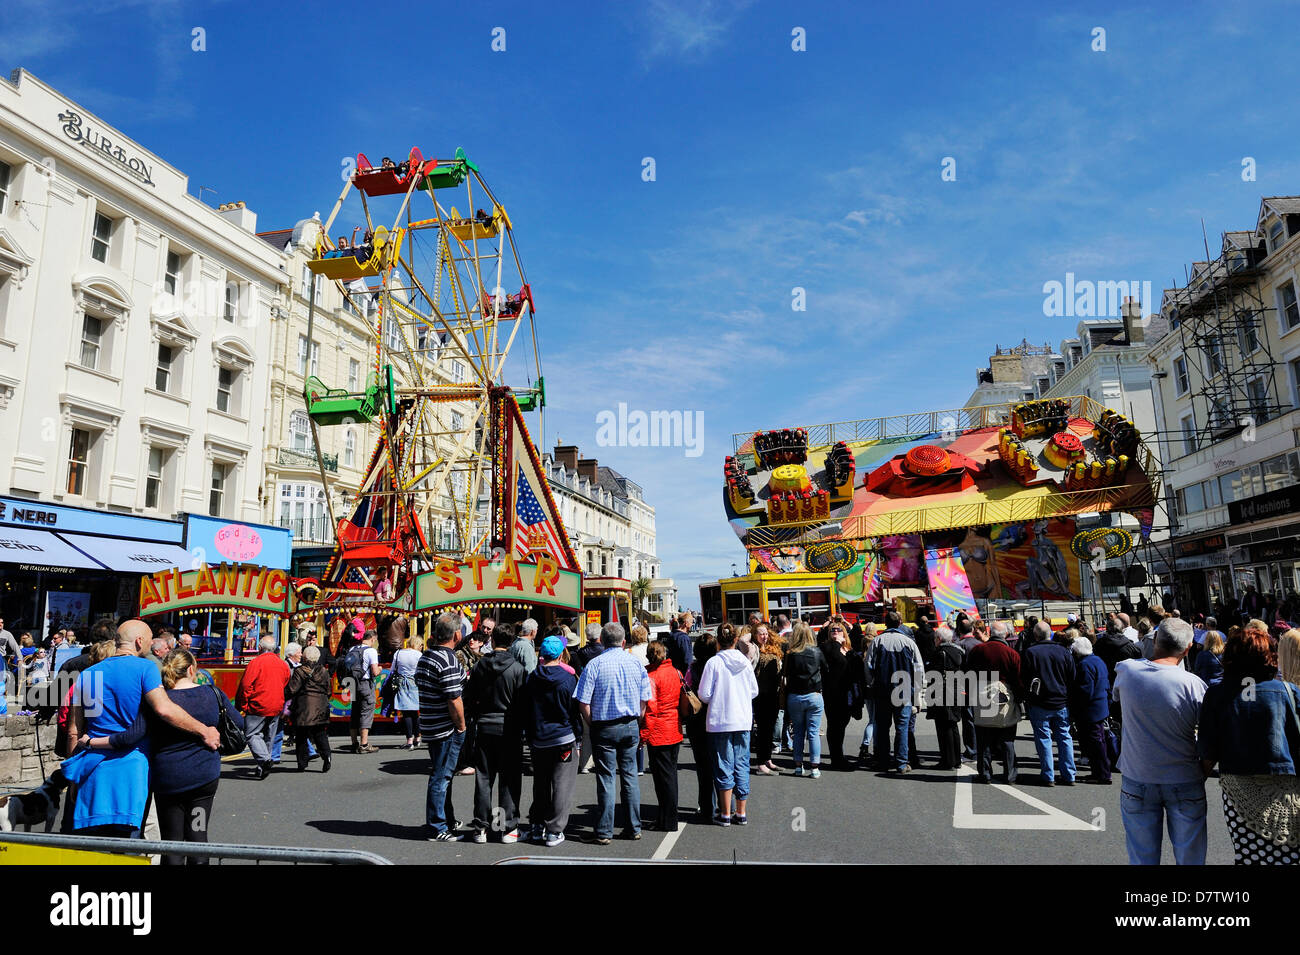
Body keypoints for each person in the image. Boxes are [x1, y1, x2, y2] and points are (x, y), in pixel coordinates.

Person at [65, 621, 220, 837]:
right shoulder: (145, 669)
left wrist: (73, 777)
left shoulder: (88, 674)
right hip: (131, 770)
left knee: (92, 846)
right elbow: (164, 709)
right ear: (139, 641)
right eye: (148, 640)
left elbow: (74, 731)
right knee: (127, 848)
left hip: (92, 769)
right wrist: (204, 730)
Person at [1198, 627, 1300, 864]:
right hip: (1287, 785)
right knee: (1291, 853)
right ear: (1270, 656)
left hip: (1238, 785)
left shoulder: (1217, 695)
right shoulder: (1288, 691)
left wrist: (1196, 781)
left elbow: (1208, 747)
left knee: (1249, 855)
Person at [1112, 617, 1208, 865]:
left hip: (1138, 777)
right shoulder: (1194, 685)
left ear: (1155, 641)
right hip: (1184, 776)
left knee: (1142, 858)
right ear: (1187, 650)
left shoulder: (1126, 671)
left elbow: (1117, 698)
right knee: (1191, 858)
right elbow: (1210, 735)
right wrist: (1204, 769)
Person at [146, 648, 239, 863]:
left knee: (172, 839)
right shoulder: (212, 694)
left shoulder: (160, 701)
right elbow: (238, 724)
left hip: (168, 779)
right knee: (198, 834)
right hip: (203, 780)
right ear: (191, 669)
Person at [574, 622, 653, 844]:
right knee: (629, 777)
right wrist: (637, 718)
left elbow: (583, 701)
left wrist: (592, 723)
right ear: (623, 641)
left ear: (602, 640)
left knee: (606, 778)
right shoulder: (635, 664)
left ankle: (604, 831)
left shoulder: (594, 665)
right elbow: (644, 698)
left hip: (604, 726)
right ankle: (633, 827)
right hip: (629, 723)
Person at [465, 623, 527, 844]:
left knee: (484, 777)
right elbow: (522, 704)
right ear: (511, 643)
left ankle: (481, 827)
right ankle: (505, 826)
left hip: (484, 725)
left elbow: (469, 697)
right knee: (508, 778)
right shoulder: (518, 669)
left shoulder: (480, 666)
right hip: (509, 728)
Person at [522, 635, 582, 847]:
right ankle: (554, 830)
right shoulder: (568, 679)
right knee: (561, 785)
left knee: (541, 784)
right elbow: (574, 712)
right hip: (563, 737)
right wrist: (579, 738)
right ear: (559, 654)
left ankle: (537, 825)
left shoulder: (532, 678)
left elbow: (526, 710)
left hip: (539, 738)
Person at [697, 624, 759, 826]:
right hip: (742, 719)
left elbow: (704, 695)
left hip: (720, 720)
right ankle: (741, 812)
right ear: (735, 640)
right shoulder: (745, 661)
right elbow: (753, 691)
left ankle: (725, 813)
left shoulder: (713, 663)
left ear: (718, 641)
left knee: (724, 765)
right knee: (741, 764)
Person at [416, 612, 468, 841]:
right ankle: (437, 826)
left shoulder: (427, 656)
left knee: (443, 775)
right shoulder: (447, 659)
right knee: (441, 777)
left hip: (430, 723)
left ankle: (445, 818)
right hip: (445, 727)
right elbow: (453, 698)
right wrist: (462, 726)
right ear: (456, 635)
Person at [866, 611, 924, 774]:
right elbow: (918, 668)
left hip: (882, 690)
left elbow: (868, 666)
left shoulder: (877, 641)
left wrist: (871, 684)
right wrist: (917, 691)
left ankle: (883, 760)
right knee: (902, 727)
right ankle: (901, 762)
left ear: (885, 624)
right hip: (904, 690)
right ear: (900, 623)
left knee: (883, 728)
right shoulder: (908, 642)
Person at [1021, 621, 1077, 786]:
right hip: (1061, 700)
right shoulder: (1063, 651)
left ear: (1036, 635)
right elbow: (1072, 676)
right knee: (1064, 737)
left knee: (1043, 738)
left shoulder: (1030, 652)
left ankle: (1048, 775)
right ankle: (1069, 774)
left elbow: (1024, 677)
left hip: (1039, 702)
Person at [966, 620, 1021, 783]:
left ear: (990, 632)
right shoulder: (1011, 653)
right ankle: (1010, 774)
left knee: (984, 738)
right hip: (1004, 694)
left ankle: (985, 774)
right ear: (1005, 634)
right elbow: (1018, 680)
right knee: (1007, 739)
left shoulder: (978, 650)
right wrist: (1019, 699)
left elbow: (969, 673)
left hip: (982, 692)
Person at [234, 636, 291, 779]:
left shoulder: (256, 662)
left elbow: (246, 685)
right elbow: (285, 681)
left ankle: (264, 761)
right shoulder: (283, 664)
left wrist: (243, 704)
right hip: (276, 704)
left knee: (252, 734)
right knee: (269, 736)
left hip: (259, 703)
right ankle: (263, 765)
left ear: (260, 648)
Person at [641, 640, 683, 832]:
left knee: (662, 779)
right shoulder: (675, 671)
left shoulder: (651, 676)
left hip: (659, 731)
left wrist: (643, 735)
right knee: (670, 775)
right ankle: (668, 816)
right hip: (674, 726)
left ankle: (667, 820)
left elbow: (650, 710)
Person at [782, 622, 828, 777]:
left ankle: (798, 765)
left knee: (798, 732)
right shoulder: (816, 651)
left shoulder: (790, 653)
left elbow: (785, 673)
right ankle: (814, 768)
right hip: (814, 694)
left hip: (795, 696)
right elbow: (826, 669)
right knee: (813, 733)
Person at [822, 615, 865, 771]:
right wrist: (835, 643)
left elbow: (857, 666)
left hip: (848, 694)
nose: (835, 631)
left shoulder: (848, 649)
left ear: (844, 632)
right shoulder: (827, 647)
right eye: (832, 629)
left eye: (838, 629)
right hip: (832, 694)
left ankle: (838, 756)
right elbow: (832, 656)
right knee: (835, 726)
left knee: (842, 725)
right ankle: (836, 759)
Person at [1070, 634, 1114, 784]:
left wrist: (1075, 708)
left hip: (1090, 709)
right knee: (1097, 742)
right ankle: (1099, 772)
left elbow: (1085, 691)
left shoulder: (1084, 665)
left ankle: (1102, 773)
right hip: (1100, 706)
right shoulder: (1098, 660)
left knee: (1095, 743)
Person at [685, 630, 719, 818]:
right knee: (721, 763)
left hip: (697, 720)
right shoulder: (717, 666)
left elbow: (687, 690)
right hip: (717, 717)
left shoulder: (693, 668)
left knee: (703, 766)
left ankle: (706, 806)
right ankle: (725, 804)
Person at [286, 644, 332, 772]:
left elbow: (292, 689)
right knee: (320, 733)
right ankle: (326, 755)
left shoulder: (300, 671)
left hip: (304, 706)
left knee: (301, 735)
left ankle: (302, 763)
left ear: (305, 657)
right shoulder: (323, 671)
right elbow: (329, 690)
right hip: (321, 706)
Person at [926, 626, 966, 770]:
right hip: (957, 690)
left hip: (942, 691)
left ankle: (947, 761)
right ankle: (956, 760)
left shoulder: (939, 652)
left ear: (939, 639)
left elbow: (931, 672)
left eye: (935, 638)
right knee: (953, 725)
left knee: (943, 726)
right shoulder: (959, 651)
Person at [344, 631, 382, 753]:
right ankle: (364, 744)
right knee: (366, 711)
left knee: (355, 712)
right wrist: (380, 668)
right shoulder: (371, 651)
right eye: (375, 640)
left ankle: (354, 743)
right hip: (365, 683)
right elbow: (375, 672)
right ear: (372, 639)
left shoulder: (353, 648)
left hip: (352, 683)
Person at [754, 625, 783, 774]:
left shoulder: (773, 648)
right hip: (760, 695)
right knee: (763, 729)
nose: (764, 636)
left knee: (770, 729)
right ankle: (760, 762)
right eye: (760, 634)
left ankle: (767, 759)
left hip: (773, 694)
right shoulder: (753, 650)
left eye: (765, 633)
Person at [390, 635, 423, 749]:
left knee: (406, 712)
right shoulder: (419, 655)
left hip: (402, 683)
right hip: (415, 683)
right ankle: (417, 738)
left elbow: (392, 669)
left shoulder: (399, 653)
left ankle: (409, 740)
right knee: (416, 712)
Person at [665, 611, 694, 675]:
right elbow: (687, 660)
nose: (692, 624)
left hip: (672, 672)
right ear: (686, 623)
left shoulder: (671, 635)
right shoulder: (684, 638)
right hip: (682, 673)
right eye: (691, 622)